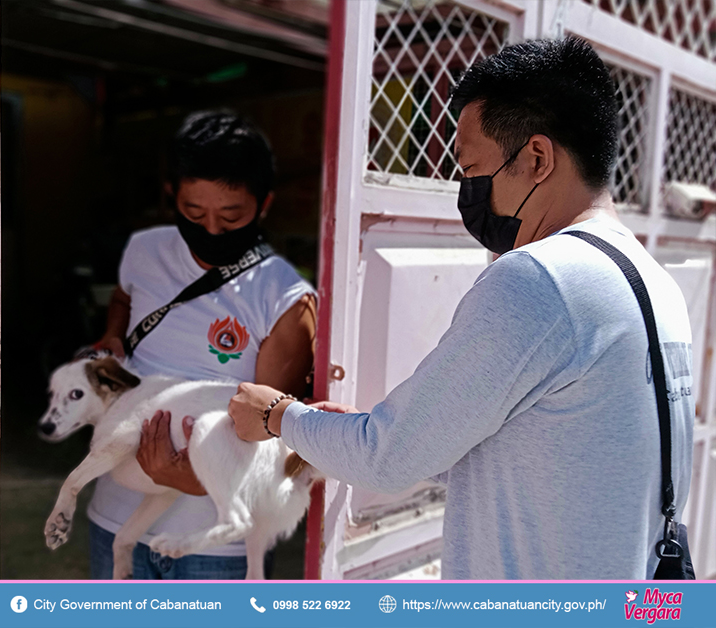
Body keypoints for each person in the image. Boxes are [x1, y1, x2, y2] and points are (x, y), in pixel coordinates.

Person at [228, 38, 695, 579]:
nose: (466, 191)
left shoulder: (540, 280)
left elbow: (389, 458)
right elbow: (558, 458)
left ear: (537, 159)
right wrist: (334, 432)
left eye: (472, 169)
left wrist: (277, 415)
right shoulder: (652, 284)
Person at [89, 111, 317, 580]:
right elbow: (123, 297)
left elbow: (273, 431)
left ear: (264, 203)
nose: (211, 229)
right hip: (115, 520)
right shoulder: (145, 250)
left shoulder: (286, 298)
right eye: (194, 213)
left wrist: (189, 480)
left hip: (215, 546)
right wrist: (113, 336)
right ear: (172, 195)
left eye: (231, 215)